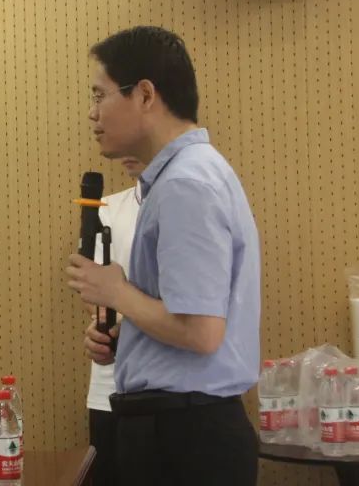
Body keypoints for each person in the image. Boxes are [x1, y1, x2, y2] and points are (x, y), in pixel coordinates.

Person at [66, 26, 260, 486]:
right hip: (182, 428)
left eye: (100, 95)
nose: (92, 113)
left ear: (145, 95)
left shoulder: (185, 184)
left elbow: (201, 332)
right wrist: (129, 337)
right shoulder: (185, 176)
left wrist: (115, 291)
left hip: (184, 437)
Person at [78, 157, 143, 486]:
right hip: (110, 389)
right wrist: (101, 326)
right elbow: (91, 291)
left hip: (178, 396)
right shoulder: (106, 209)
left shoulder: (190, 206)